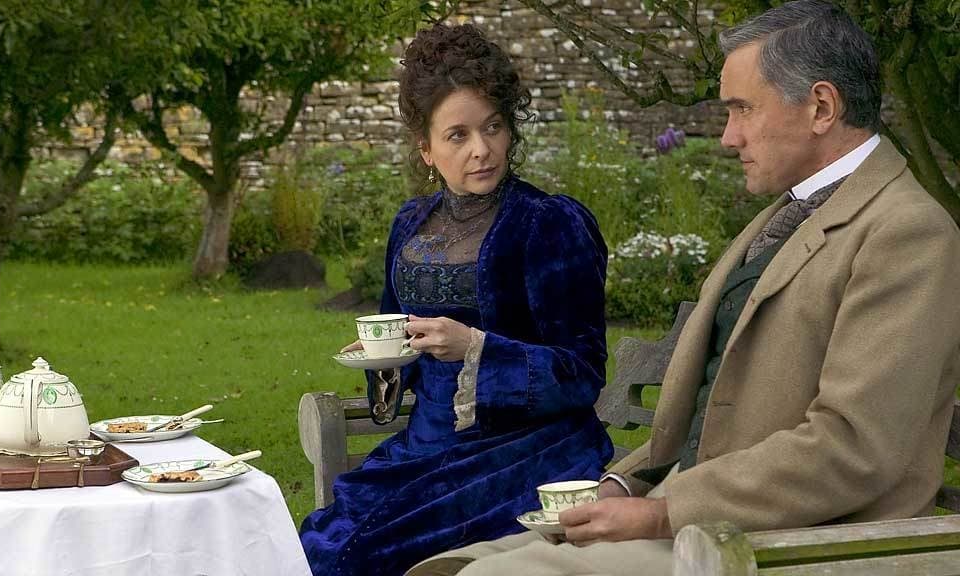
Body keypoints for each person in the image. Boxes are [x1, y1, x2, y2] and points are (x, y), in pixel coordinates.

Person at [407, 1, 960, 575]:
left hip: (789, 546)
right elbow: (708, 411)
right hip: (696, 513)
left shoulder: (907, 233)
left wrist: (660, 514)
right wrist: (623, 484)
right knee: (441, 567)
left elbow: (854, 446)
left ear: (821, 106)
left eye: (742, 109)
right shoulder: (794, 211)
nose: (727, 136)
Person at [299, 24, 615, 576]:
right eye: (458, 135)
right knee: (320, 544)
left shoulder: (548, 223)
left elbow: (583, 373)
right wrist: (384, 359)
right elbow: (398, 334)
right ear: (426, 149)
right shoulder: (410, 225)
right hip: (424, 447)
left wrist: (476, 347)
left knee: (359, 555)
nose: (481, 149)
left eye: (493, 127)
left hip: (524, 452)